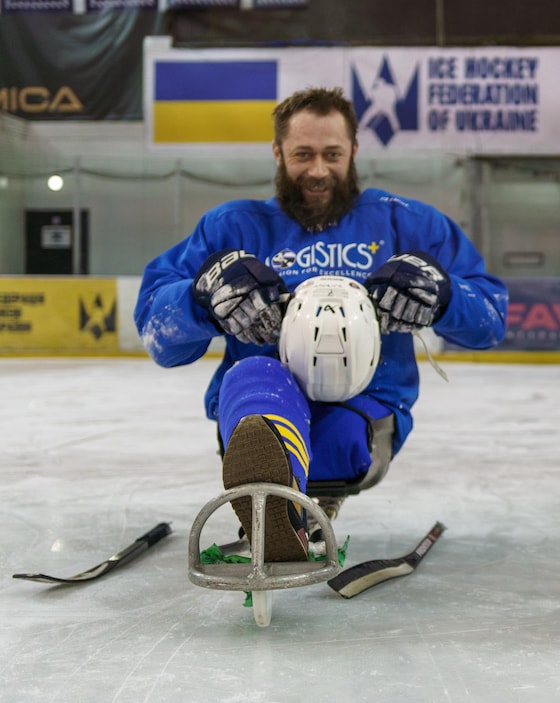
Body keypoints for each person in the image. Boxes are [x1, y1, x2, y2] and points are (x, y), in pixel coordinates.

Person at [134, 87, 507, 561]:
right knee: (256, 382)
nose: (317, 170)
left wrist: (445, 294)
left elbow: (490, 320)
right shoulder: (231, 227)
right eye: (302, 154)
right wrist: (201, 295)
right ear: (276, 153)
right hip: (258, 400)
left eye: (332, 154)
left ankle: (288, 501)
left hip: (366, 404)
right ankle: (274, 484)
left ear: (353, 150)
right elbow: (156, 331)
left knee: (338, 445)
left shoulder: (407, 223)